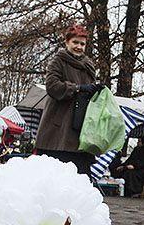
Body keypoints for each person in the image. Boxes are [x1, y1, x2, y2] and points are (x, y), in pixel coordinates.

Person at [39, 22, 100, 177]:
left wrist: (97, 90)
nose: (79, 46)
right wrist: (77, 88)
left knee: (82, 177)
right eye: (75, 42)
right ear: (67, 42)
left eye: (82, 44)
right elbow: (52, 86)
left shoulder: (89, 65)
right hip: (59, 130)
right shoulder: (58, 61)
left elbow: (90, 91)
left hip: (81, 129)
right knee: (57, 176)